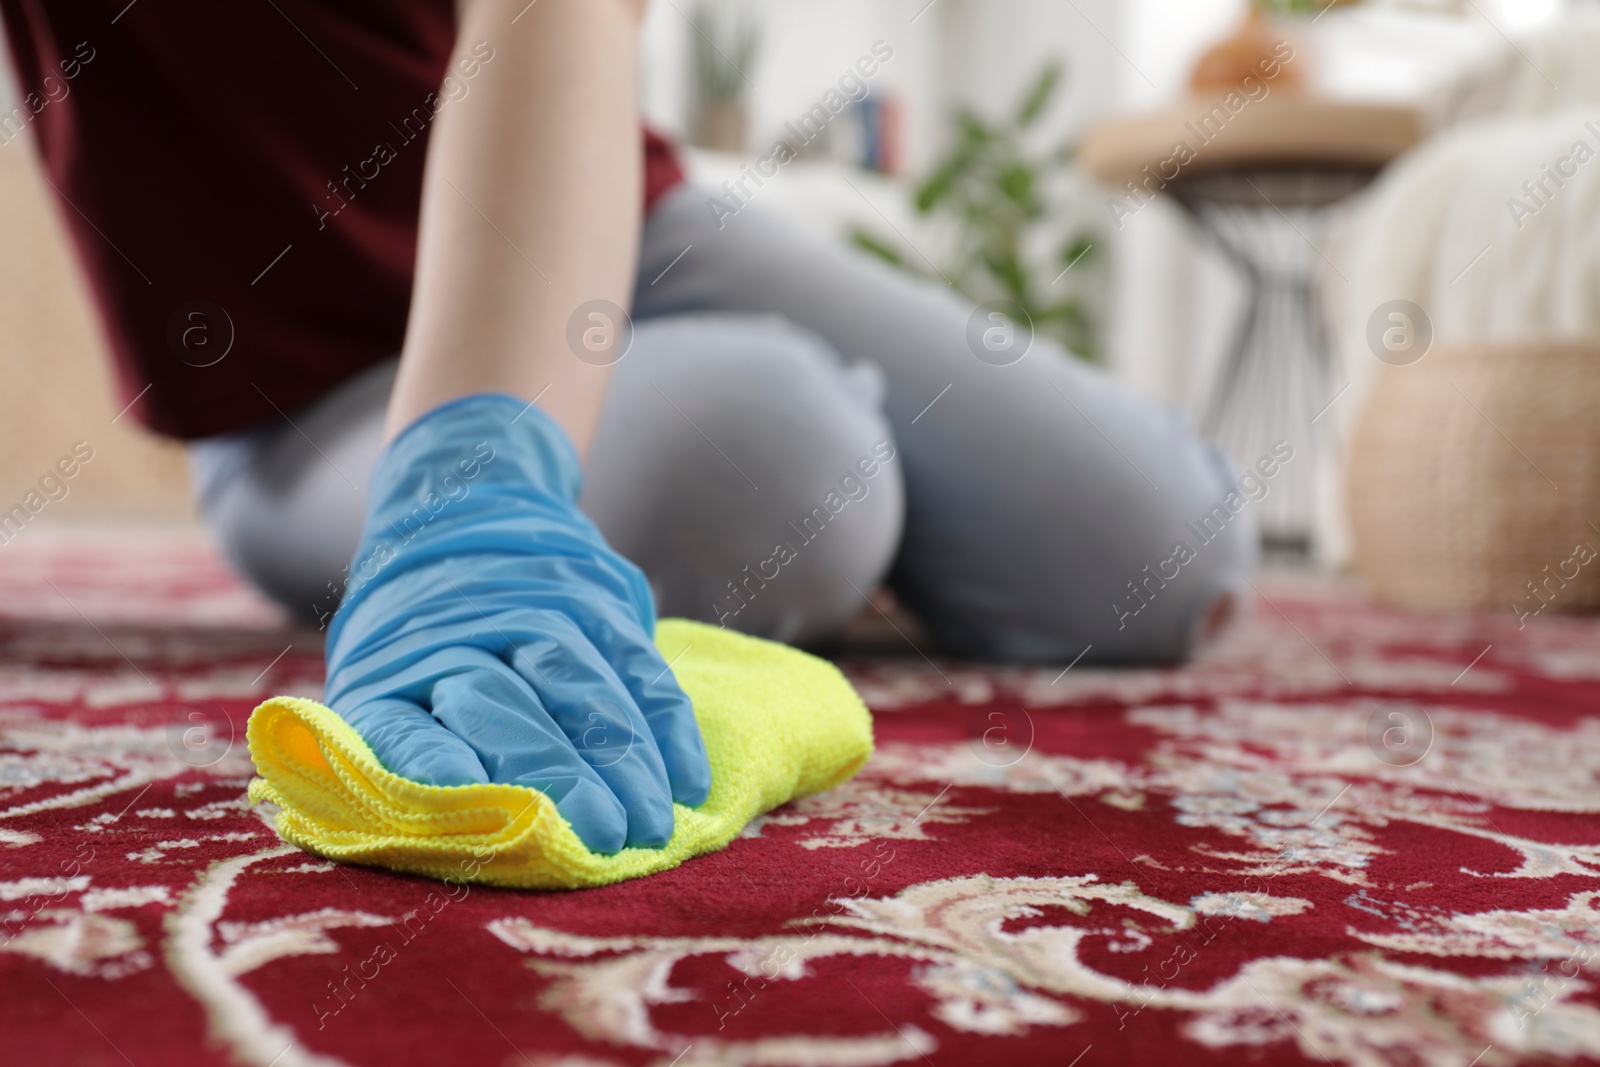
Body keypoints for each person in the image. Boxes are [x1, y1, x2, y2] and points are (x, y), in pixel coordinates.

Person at [3, 0, 1251, 853]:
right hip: (300, 385)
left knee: (1161, 549)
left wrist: (475, 469)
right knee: (775, 455)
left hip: (620, 230)